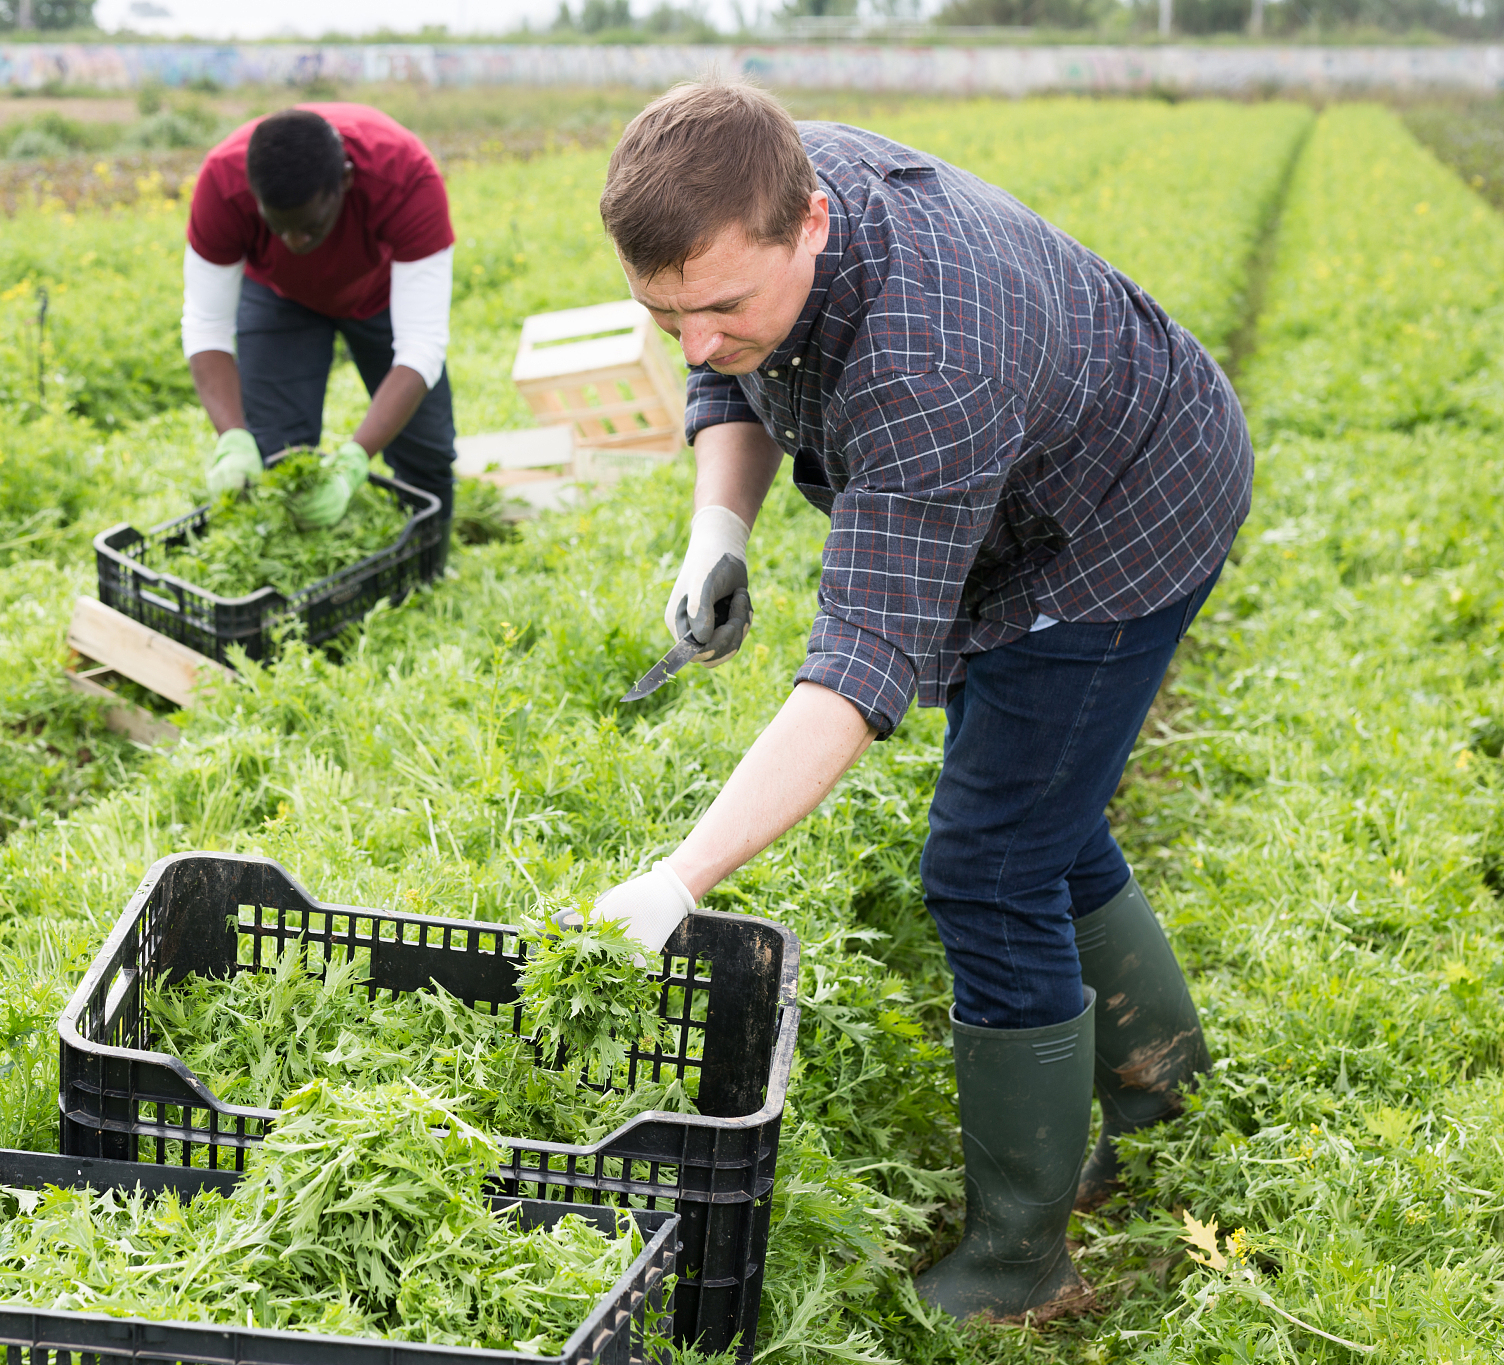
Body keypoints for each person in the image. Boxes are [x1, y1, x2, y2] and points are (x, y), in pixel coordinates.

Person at [586, 81, 1251, 1323]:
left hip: (1119, 525)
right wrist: (717, 529)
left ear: (813, 226)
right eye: (660, 313)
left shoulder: (924, 358)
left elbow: (858, 667)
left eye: (721, 305)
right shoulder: (749, 183)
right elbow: (733, 366)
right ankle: (1167, 1088)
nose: (691, 341)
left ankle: (1018, 1266)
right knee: (1039, 813)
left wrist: (681, 877)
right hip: (1026, 491)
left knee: (989, 864)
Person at [181, 103, 458, 528]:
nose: (293, 241)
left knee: (425, 450)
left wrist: (354, 459)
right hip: (279, 295)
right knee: (276, 454)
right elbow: (207, 325)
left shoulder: (406, 177)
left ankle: (426, 569)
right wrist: (233, 437)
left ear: (345, 180)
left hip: (382, 292)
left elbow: (421, 345)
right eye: (279, 226)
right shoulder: (222, 182)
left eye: (309, 227)